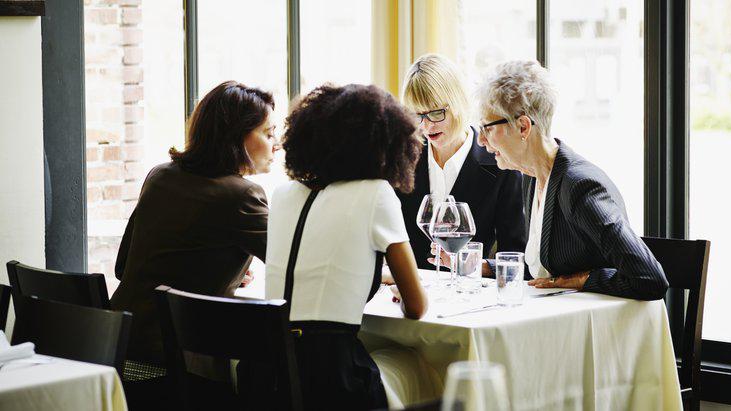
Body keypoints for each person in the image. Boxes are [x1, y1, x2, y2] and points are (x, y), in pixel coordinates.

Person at [241, 84, 427, 410]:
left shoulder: (284, 196)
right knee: (421, 369)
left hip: (266, 373)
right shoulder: (376, 193)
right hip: (331, 379)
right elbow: (416, 307)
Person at [110, 81, 278, 404]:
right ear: (238, 137)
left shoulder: (160, 176)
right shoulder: (243, 196)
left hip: (118, 357)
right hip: (176, 375)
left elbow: (124, 267)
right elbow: (294, 265)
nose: (276, 144)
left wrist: (210, 268)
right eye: (268, 134)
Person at [475, 60, 668, 300]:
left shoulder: (580, 187)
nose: (481, 141)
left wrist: (583, 280)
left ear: (523, 127)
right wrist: (484, 266)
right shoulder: (533, 177)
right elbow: (543, 268)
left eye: (487, 128)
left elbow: (649, 279)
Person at [398, 54, 525, 275]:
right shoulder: (403, 159)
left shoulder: (500, 164)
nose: (427, 126)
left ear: (459, 102)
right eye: (417, 115)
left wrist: (471, 265)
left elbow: (515, 258)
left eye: (436, 113)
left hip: (471, 296)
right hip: (411, 296)